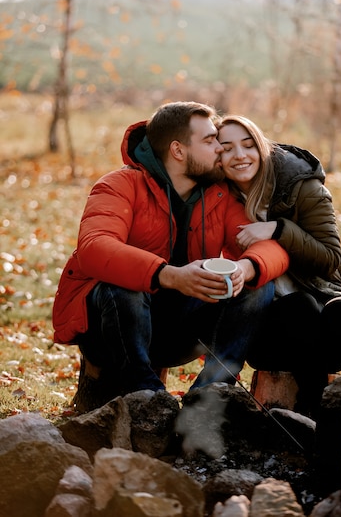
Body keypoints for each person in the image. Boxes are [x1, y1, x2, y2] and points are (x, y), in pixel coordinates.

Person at [52, 102, 289, 412]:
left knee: (258, 285)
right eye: (209, 140)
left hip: (176, 329)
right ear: (178, 150)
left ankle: (208, 397)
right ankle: (147, 399)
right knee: (123, 287)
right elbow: (94, 248)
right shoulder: (119, 185)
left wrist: (245, 267)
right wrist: (171, 275)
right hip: (110, 329)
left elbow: (272, 248)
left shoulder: (216, 194)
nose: (220, 148)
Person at [217, 114, 341, 414]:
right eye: (226, 148)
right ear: (217, 156)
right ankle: (314, 413)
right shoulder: (218, 198)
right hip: (269, 331)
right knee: (298, 306)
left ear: (262, 148)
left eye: (247, 145)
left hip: (325, 312)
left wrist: (278, 229)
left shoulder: (301, 186)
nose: (239, 155)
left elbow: (330, 258)